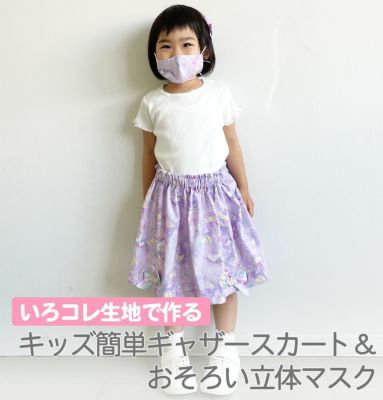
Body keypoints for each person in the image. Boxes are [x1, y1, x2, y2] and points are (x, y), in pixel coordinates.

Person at [128, 4, 270, 395]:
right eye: (166, 46)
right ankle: (172, 350)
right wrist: (147, 201)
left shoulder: (218, 95)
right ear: (155, 54)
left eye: (186, 44)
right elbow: (147, 155)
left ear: (204, 49)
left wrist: (244, 188)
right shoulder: (152, 103)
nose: (176, 54)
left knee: (224, 275)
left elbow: (233, 143)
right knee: (170, 277)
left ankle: (226, 349)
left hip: (216, 199)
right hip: (170, 201)